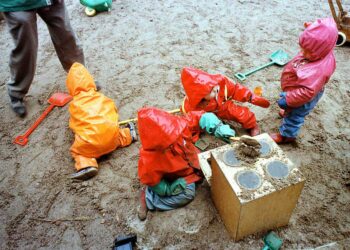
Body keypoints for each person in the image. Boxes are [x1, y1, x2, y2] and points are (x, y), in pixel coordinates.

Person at [137, 107, 235, 220]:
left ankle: (197, 172)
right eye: (169, 141)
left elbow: (200, 117)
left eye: (174, 134)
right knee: (187, 194)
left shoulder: (179, 127)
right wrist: (167, 189)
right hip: (179, 177)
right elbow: (152, 180)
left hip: (193, 159)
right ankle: (150, 199)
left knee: (212, 163)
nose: (175, 138)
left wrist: (217, 126)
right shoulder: (149, 159)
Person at [0, 0, 84, 117]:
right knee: (26, 47)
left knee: (65, 34)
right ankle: (16, 91)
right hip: (17, 3)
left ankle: (81, 79)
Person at [269, 18, 338, 143]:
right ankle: (288, 110)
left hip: (304, 96)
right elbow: (321, 34)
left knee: (295, 115)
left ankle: (287, 136)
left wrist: (289, 98)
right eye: (302, 48)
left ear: (322, 49)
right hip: (298, 87)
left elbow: (306, 92)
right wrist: (310, 29)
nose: (303, 52)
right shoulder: (322, 48)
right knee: (291, 108)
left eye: (308, 51)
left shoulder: (319, 70)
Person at [66, 63, 137, 180]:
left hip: (91, 146)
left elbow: (74, 125)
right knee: (114, 133)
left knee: (77, 151)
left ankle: (87, 165)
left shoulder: (74, 105)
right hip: (111, 141)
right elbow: (113, 111)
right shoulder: (101, 97)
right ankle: (128, 135)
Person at [180, 67, 270, 137]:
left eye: (213, 84)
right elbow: (193, 120)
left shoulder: (221, 84)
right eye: (211, 90)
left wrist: (250, 96)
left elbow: (235, 90)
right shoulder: (191, 107)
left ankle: (252, 125)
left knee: (241, 113)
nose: (215, 88)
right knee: (196, 128)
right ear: (200, 97)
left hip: (222, 106)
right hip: (205, 114)